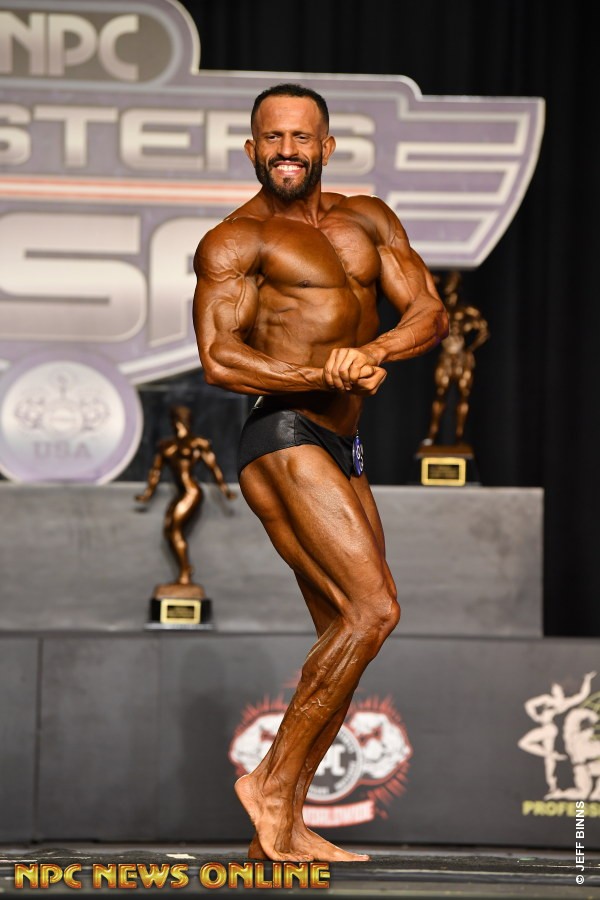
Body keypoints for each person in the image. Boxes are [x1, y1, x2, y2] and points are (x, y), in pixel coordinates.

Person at [192, 83, 448, 862]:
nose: (287, 150)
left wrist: (371, 352)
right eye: (272, 138)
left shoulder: (368, 218)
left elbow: (429, 311)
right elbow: (219, 357)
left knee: (349, 632)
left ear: (326, 147)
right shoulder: (236, 240)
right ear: (252, 149)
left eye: (300, 137)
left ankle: (284, 821)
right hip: (283, 434)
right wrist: (319, 374)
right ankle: (270, 784)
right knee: (373, 610)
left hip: (345, 444)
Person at [135, 404, 235, 585]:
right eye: (177, 419)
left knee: (174, 530)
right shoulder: (166, 445)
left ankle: (185, 573)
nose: (178, 422)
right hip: (181, 493)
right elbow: (155, 471)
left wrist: (224, 489)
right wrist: (147, 494)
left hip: (192, 491)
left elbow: (213, 467)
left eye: (181, 418)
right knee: (169, 531)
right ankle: (184, 570)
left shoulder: (197, 442)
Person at [423, 270, 490, 445]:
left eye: (452, 281)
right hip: (446, 356)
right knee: (440, 393)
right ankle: (432, 434)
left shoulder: (466, 310)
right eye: (447, 281)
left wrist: (470, 349)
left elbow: (484, 330)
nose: (448, 285)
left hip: (461, 357)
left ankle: (459, 436)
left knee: (463, 395)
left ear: (458, 284)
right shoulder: (439, 308)